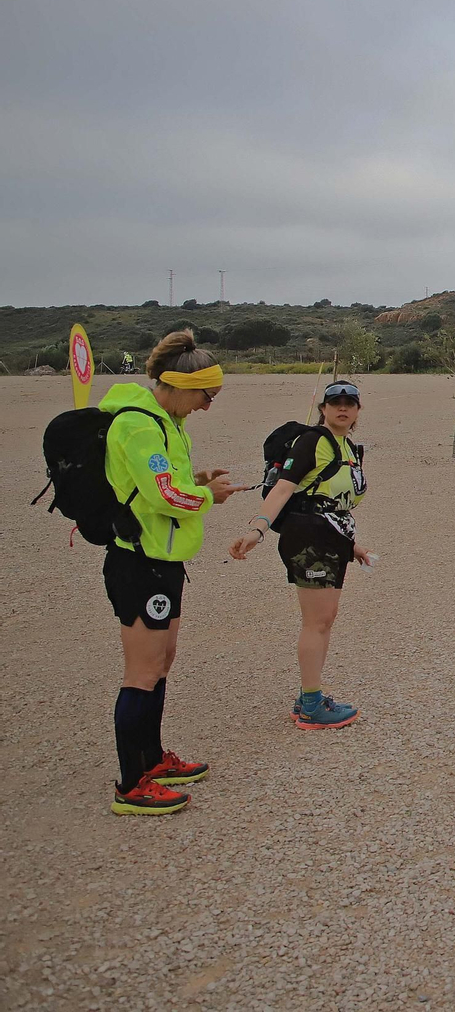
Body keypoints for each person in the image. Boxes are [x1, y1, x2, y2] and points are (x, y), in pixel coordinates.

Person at [100, 331, 242, 814]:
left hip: (165, 562)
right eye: (207, 395)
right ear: (181, 384)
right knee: (141, 671)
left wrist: (197, 480)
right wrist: (208, 497)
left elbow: (164, 483)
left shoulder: (169, 421)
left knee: (162, 663)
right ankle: (130, 785)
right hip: (138, 563)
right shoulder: (139, 425)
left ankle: (153, 759)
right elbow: (163, 496)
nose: (208, 406)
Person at [229, 380, 371, 730]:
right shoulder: (312, 442)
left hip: (331, 537)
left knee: (325, 620)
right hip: (308, 537)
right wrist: (257, 529)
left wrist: (352, 548)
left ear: (357, 410)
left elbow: (332, 502)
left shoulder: (348, 448)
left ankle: (311, 693)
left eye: (349, 403)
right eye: (334, 402)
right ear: (323, 408)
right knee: (316, 622)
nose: (342, 407)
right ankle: (310, 705)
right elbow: (284, 489)